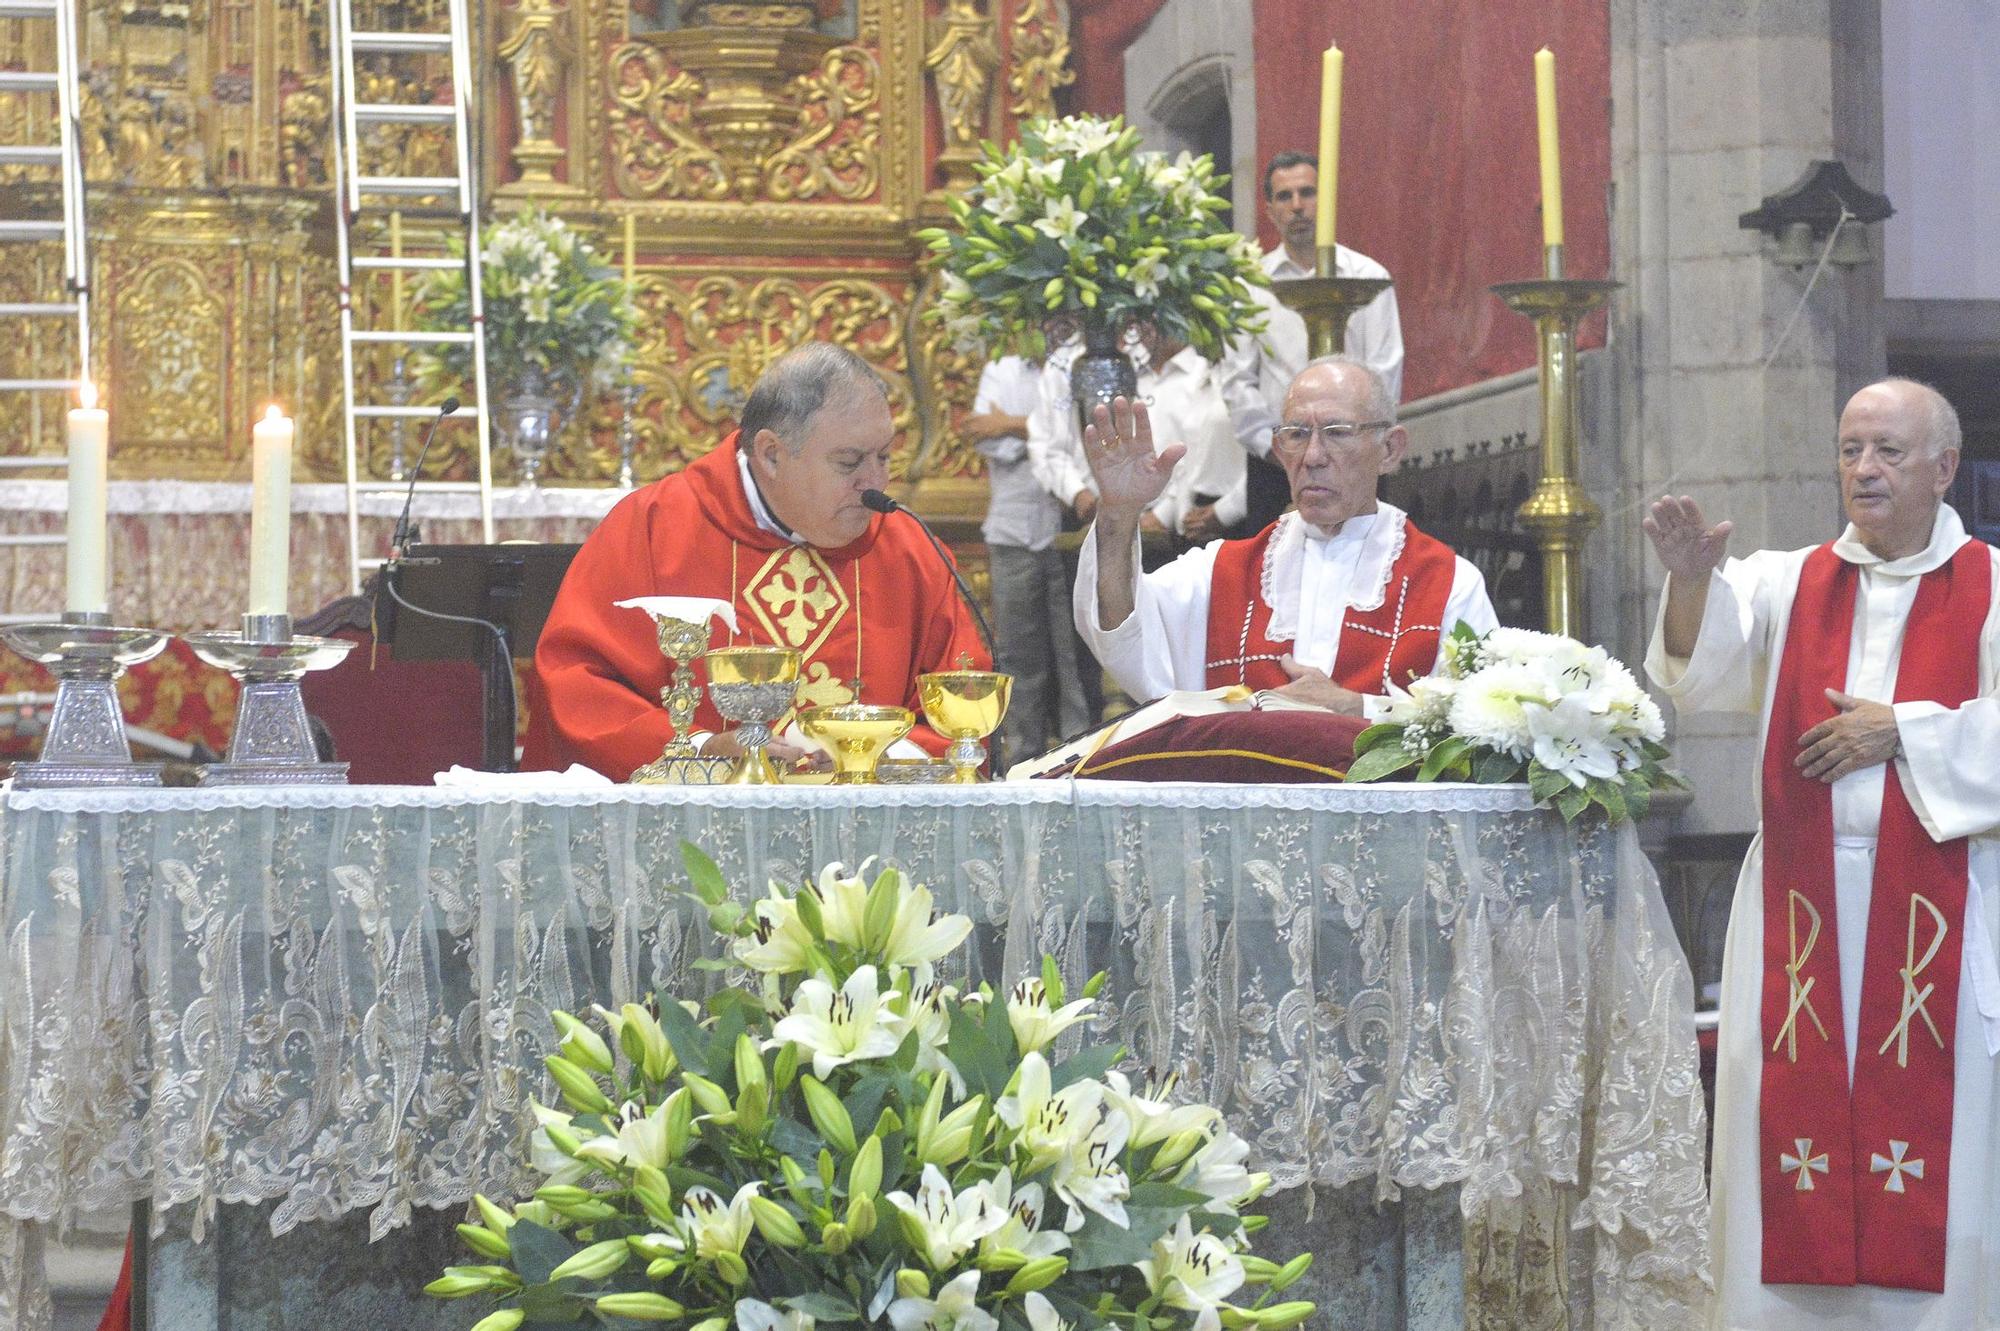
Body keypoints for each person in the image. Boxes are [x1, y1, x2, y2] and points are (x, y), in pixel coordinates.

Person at [1643, 378, 2000, 1327]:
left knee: (1942, 1141)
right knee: (1780, 1130)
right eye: (1849, 450)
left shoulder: (1995, 586)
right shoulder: (1790, 577)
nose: (1864, 470)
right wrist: (1687, 580)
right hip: (1800, 913)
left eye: (1886, 450)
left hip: (1941, 908)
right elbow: (1700, 669)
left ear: (1943, 467)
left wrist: (1908, 732)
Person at [531, 342, 988, 779]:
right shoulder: (654, 528)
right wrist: (701, 751)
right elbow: (578, 684)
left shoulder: (909, 551)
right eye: (849, 463)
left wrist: (882, 755)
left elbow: (962, 704)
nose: (874, 483)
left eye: (884, 457)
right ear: (771, 454)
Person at [1075, 355, 1494, 713]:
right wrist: (1119, 510)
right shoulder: (1221, 570)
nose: (1312, 456)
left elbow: (1477, 722)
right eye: (1296, 435)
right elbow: (1122, 630)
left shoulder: (1447, 583)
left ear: (1389, 450)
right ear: (1279, 452)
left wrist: (1358, 709)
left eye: (1337, 433)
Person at [1220, 152, 1405, 537]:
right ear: (1270, 209)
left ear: (1327, 199)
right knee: (1272, 578)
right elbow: (1237, 380)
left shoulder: (1368, 278)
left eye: (1307, 192)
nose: (1297, 206)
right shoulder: (1249, 286)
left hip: (1354, 457)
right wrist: (1281, 448)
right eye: (1285, 197)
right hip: (1273, 464)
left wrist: (1347, 441)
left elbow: (1385, 372)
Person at [963, 352, 1092, 764]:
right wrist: (1036, 433)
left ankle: (1080, 756)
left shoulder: (1077, 364)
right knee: (1018, 656)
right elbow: (984, 436)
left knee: (1077, 656)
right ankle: (1020, 761)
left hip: (1071, 531)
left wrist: (1012, 424)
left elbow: (1076, 439)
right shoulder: (1000, 367)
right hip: (1013, 530)